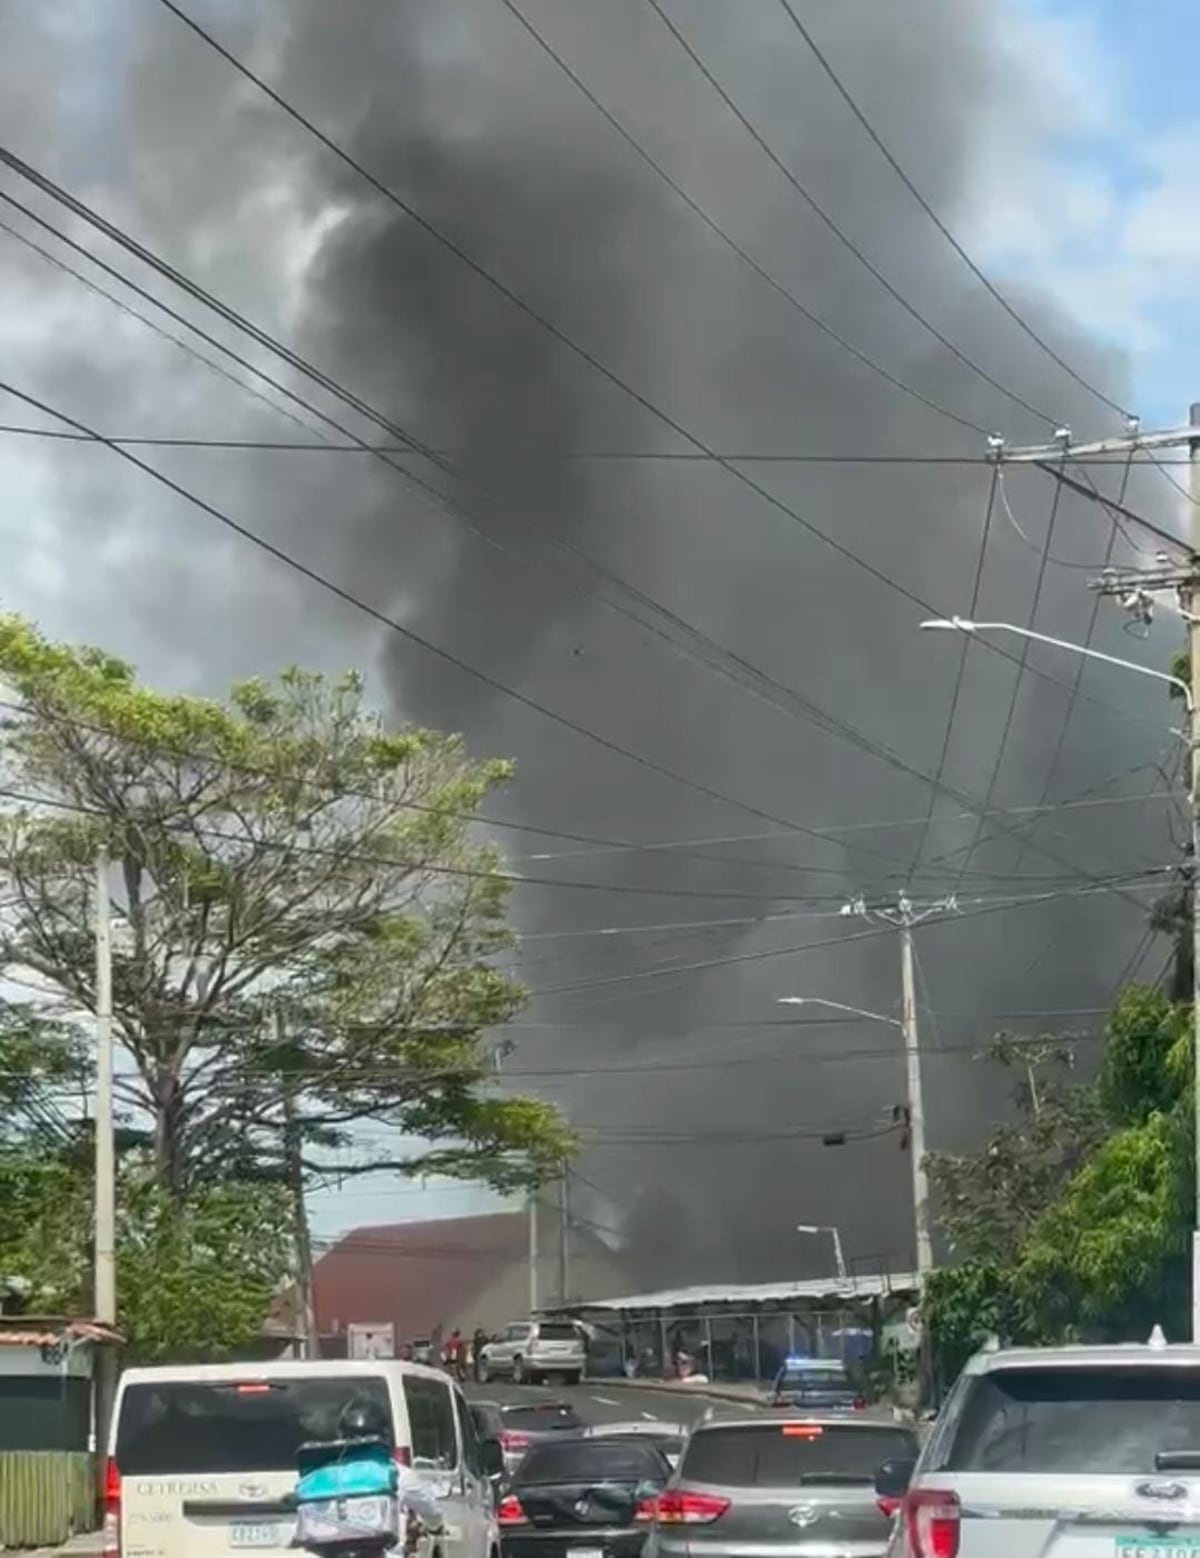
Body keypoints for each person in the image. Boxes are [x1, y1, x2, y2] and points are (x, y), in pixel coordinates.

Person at [338, 1399, 444, 1537]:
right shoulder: (400, 1475)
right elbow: (432, 1512)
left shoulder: (329, 1475)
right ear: (384, 1436)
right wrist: (435, 1527)